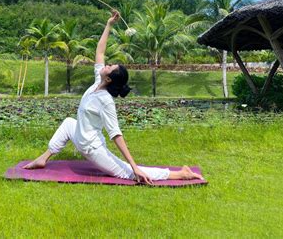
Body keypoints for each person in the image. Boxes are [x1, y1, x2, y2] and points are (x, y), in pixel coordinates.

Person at [23, 11, 204, 184]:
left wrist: (135, 166)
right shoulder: (98, 81)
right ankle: (43, 158)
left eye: (109, 66)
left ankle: (180, 174)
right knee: (69, 123)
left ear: (108, 78)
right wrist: (109, 24)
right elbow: (100, 52)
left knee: (127, 172)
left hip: (92, 148)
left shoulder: (106, 101)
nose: (106, 64)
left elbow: (116, 135)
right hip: (80, 135)